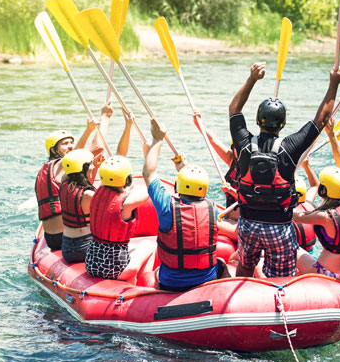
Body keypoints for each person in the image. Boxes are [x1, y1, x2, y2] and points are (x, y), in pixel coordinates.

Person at [229, 62, 340, 278]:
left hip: (248, 225)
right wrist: (333, 84)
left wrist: (252, 78)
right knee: (281, 276)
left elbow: (234, 110)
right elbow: (321, 120)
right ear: (283, 124)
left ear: (257, 120)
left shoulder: (244, 143)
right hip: (279, 227)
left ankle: (243, 286)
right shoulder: (290, 147)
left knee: (245, 266)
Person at [142, 119, 235, 292]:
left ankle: (160, 301)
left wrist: (157, 139)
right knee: (221, 264)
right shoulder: (212, 209)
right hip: (206, 278)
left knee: (156, 273)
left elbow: (148, 174)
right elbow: (195, 201)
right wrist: (184, 170)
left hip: (172, 282)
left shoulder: (166, 206)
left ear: (179, 184)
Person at [59, 108, 135, 264]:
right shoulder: (90, 195)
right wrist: (128, 126)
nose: (94, 166)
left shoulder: (64, 183)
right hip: (84, 247)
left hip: (66, 247)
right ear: (86, 169)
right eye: (91, 165)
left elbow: (73, 159)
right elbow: (119, 160)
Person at [35, 103, 112, 250]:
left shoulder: (49, 170)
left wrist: (88, 130)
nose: (70, 146)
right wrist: (105, 116)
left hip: (51, 238)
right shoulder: (60, 166)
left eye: (71, 143)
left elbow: (76, 154)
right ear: (53, 149)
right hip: (63, 237)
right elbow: (98, 147)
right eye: (65, 144)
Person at [294, 119, 340, 279]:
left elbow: (294, 216)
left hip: (326, 272)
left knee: (293, 247)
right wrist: (332, 135)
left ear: (323, 190)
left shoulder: (325, 217)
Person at [85, 155, 148, 279]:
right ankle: (135, 285)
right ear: (127, 179)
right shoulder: (127, 204)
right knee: (148, 245)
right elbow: (150, 189)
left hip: (92, 264)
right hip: (114, 270)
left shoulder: (96, 194)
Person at [192, 112, 239, 209]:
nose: (240, 152)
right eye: (236, 148)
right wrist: (198, 124)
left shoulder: (253, 167)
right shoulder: (232, 160)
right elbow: (213, 140)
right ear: (232, 148)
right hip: (230, 213)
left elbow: (252, 200)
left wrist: (230, 191)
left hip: (246, 217)